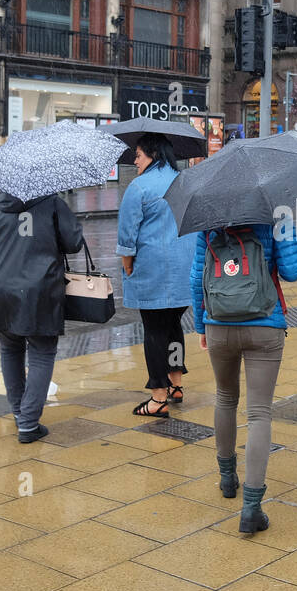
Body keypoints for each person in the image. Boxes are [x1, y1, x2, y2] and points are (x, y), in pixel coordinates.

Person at [191, 219, 297, 533]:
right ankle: (252, 508)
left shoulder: (208, 222)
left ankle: (227, 479)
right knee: (259, 412)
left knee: (225, 398)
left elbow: (195, 277)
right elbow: (293, 271)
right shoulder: (275, 214)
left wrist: (202, 327)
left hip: (218, 324)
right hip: (264, 323)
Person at [0, 183, 85, 444]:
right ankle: (29, 423)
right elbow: (74, 242)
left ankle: (21, 414)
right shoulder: (52, 202)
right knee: (42, 351)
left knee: (10, 349)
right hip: (39, 290)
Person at [117, 135, 195, 418]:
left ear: (152, 154)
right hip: (185, 269)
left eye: (137, 155)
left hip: (153, 272)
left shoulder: (139, 187)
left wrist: (127, 265)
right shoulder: (184, 182)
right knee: (173, 325)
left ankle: (158, 397)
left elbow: (127, 236)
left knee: (154, 332)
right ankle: (176, 384)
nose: (135, 161)